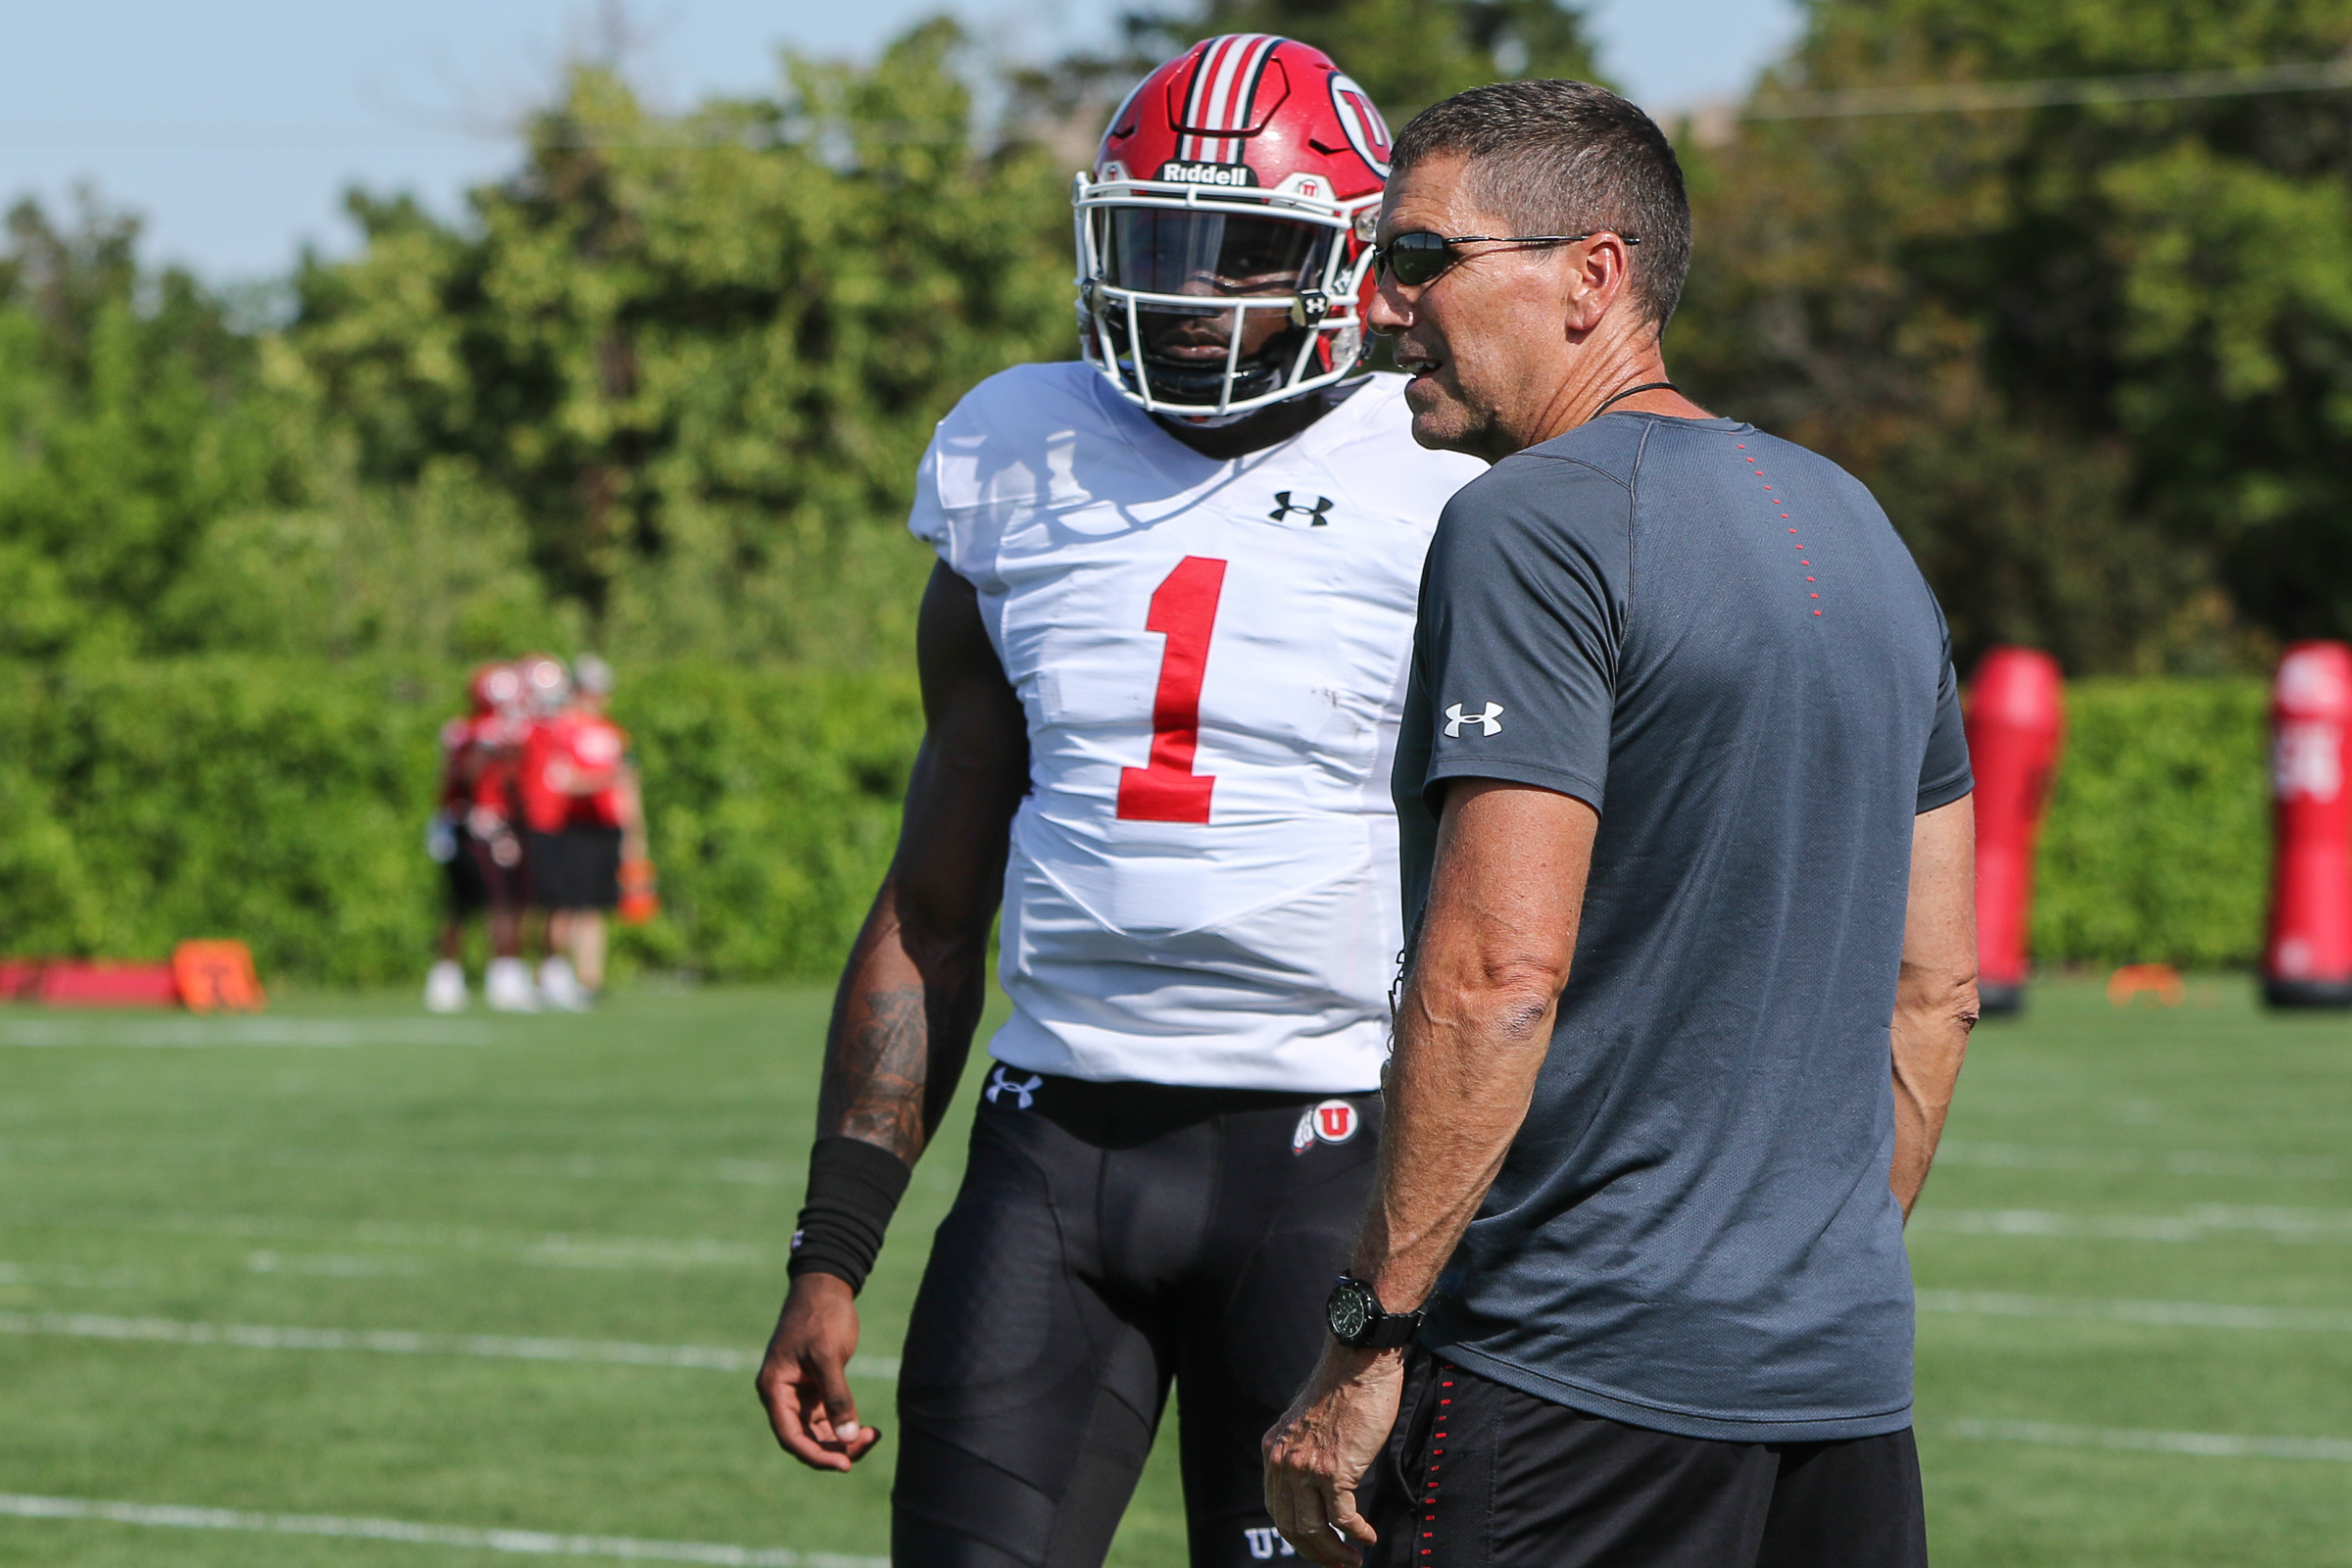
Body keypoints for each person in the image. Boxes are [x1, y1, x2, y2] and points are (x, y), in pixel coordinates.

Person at [754, 35, 1487, 1568]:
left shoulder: (1450, 478)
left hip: (1332, 1155)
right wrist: (833, 1250)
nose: (1193, 293)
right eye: (1161, 242)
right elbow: (934, 902)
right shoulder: (1014, 448)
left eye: (1243, 253)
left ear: (1352, 269)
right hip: (1053, 1148)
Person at [1259, 81, 1979, 1568]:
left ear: (1594, 275)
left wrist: (1366, 1335)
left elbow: (1490, 981)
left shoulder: (1532, 520)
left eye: (1419, 260)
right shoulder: (1863, 524)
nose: (1386, 309)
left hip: (1572, 1383)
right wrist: (1795, 1289)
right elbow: (1937, 991)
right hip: (1841, 1390)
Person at [425, 662, 536, 1013]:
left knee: (464, 904)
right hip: (480, 824)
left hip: (462, 822)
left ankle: (450, 976)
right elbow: (472, 778)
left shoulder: (463, 729)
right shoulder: (482, 732)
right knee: (496, 900)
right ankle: (502, 976)